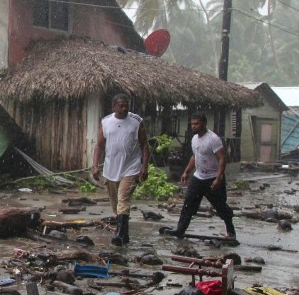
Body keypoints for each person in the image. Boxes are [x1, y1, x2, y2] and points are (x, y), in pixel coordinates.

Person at [163, 112, 236, 240]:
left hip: (212, 177)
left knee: (220, 206)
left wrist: (218, 178)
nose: (193, 126)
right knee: (188, 204)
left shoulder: (213, 139)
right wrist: (186, 171)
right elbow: (195, 156)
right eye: (192, 124)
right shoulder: (194, 139)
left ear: (204, 123)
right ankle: (180, 230)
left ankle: (231, 231)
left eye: (196, 124)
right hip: (198, 177)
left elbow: (222, 159)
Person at [92, 93, 150, 246]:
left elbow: (144, 145)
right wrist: (95, 166)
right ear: (114, 107)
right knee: (115, 204)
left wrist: (144, 166)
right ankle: (125, 235)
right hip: (111, 169)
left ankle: (118, 234)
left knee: (123, 199)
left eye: (126, 105)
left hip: (131, 168)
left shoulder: (136, 121)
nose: (124, 108)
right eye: (121, 106)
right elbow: (99, 145)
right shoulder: (106, 122)